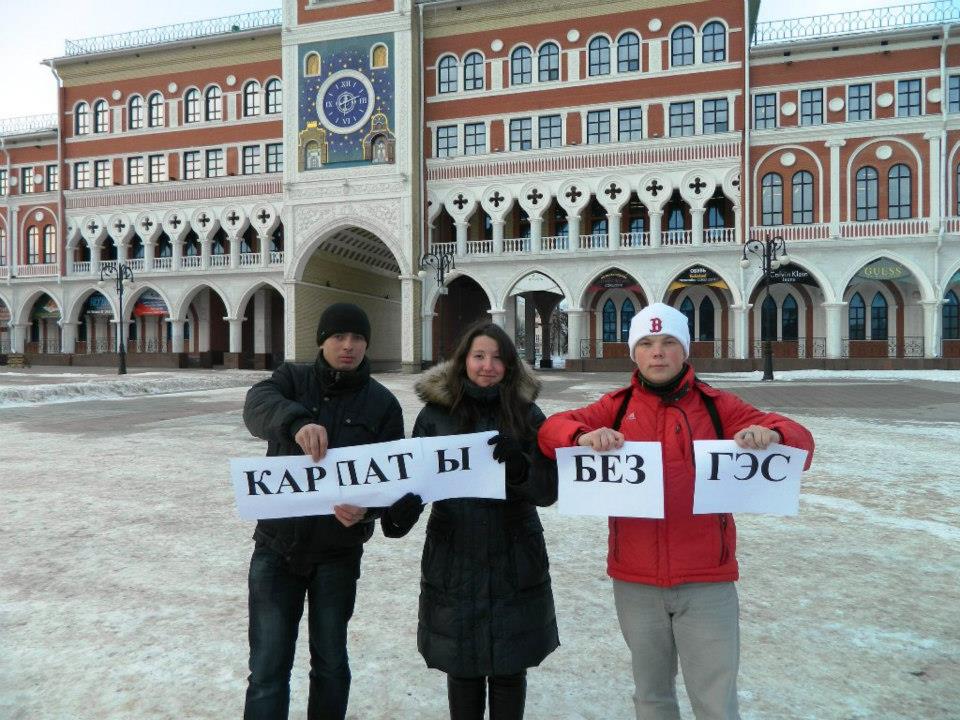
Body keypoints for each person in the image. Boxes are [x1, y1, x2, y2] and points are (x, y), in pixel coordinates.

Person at [537, 302, 814, 720]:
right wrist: (581, 435)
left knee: (715, 700)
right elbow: (549, 430)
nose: (658, 352)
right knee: (651, 697)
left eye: (668, 342)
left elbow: (801, 444)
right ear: (634, 353)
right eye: (646, 343)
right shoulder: (614, 406)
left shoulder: (718, 406)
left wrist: (772, 433)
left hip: (707, 581)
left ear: (685, 351)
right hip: (636, 580)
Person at [241, 302, 423, 720]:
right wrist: (295, 421)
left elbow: (388, 485)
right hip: (276, 548)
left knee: (330, 664)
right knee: (268, 668)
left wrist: (367, 511)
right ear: (321, 340)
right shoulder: (291, 380)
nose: (349, 346)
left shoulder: (382, 405)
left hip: (338, 555)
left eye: (358, 338)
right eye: (339, 336)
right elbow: (256, 406)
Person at [411, 321, 559, 720]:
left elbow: (548, 490)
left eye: (497, 358)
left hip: (513, 555)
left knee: (510, 669)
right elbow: (414, 480)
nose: (487, 365)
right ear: (464, 361)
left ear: (509, 366)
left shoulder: (528, 415)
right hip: (454, 554)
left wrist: (521, 466)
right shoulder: (434, 416)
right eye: (479, 356)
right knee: (462, 670)